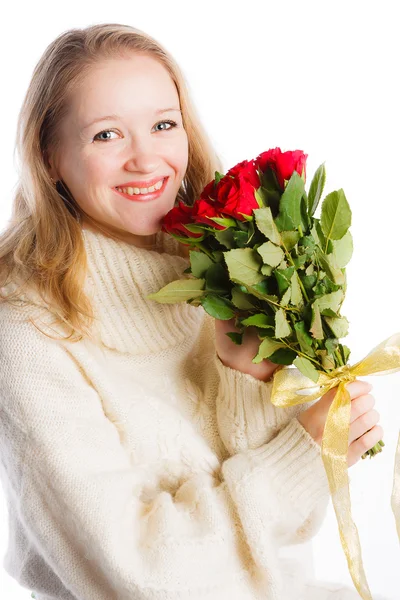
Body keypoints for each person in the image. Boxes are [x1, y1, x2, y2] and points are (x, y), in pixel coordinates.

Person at [0, 23, 386, 600]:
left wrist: (247, 374)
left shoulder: (219, 262)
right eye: (106, 135)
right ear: (50, 157)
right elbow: (142, 577)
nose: (145, 159)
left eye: (163, 124)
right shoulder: (27, 324)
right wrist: (304, 451)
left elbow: (288, 531)